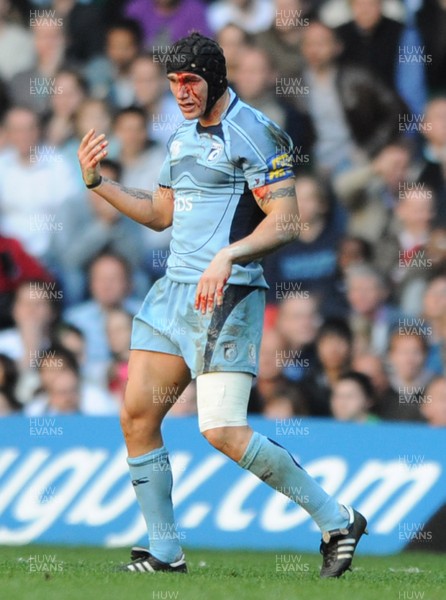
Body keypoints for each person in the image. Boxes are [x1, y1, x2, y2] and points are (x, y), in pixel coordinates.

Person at [77, 32, 367, 578]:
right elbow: (161, 214)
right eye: (173, 83)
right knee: (137, 416)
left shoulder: (256, 132)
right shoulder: (182, 138)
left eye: (190, 81)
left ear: (215, 78)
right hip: (172, 298)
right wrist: (99, 183)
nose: (181, 92)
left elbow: (287, 221)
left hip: (227, 295)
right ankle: (165, 551)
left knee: (221, 430)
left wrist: (227, 256)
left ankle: (337, 518)